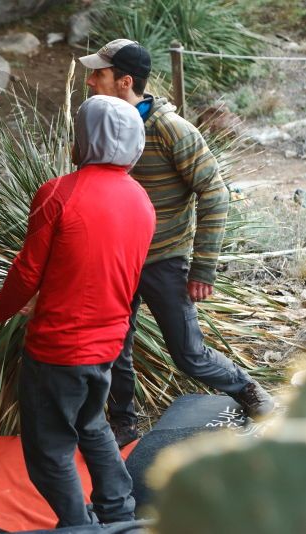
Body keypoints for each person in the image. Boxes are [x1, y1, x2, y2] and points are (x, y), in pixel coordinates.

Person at [0, 95, 155, 527]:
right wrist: (43, 299)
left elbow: (27, 271)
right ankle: (119, 513)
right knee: (91, 423)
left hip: (59, 348)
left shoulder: (60, 193)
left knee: (49, 451)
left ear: (83, 139)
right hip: (108, 344)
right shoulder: (141, 200)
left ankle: (78, 526)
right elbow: (100, 269)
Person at [78, 39, 275, 447]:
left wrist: (203, 266)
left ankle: (245, 388)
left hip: (163, 260)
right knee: (115, 347)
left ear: (124, 81)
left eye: (99, 73)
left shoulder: (171, 129)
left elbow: (214, 192)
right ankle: (122, 422)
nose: (90, 80)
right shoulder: (97, 121)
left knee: (188, 353)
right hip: (116, 261)